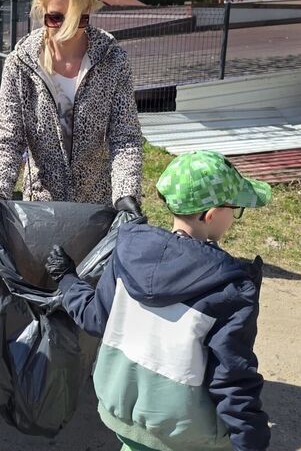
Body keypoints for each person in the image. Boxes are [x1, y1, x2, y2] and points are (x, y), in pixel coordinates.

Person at [45, 150, 272, 451]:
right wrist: (251, 442)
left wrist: (67, 278)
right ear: (212, 214)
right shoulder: (230, 289)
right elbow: (232, 378)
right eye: (236, 209)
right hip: (186, 438)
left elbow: (95, 317)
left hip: (125, 418)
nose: (236, 216)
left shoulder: (127, 252)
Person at [0, 0, 143, 212]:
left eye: (79, 18)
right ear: (41, 9)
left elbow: (125, 138)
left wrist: (126, 194)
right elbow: (8, 139)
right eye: (56, 19)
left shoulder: (112, 59)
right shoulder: (21, 63)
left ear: (90, 9)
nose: (67, 32)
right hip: (42, 208)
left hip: (97, 206)